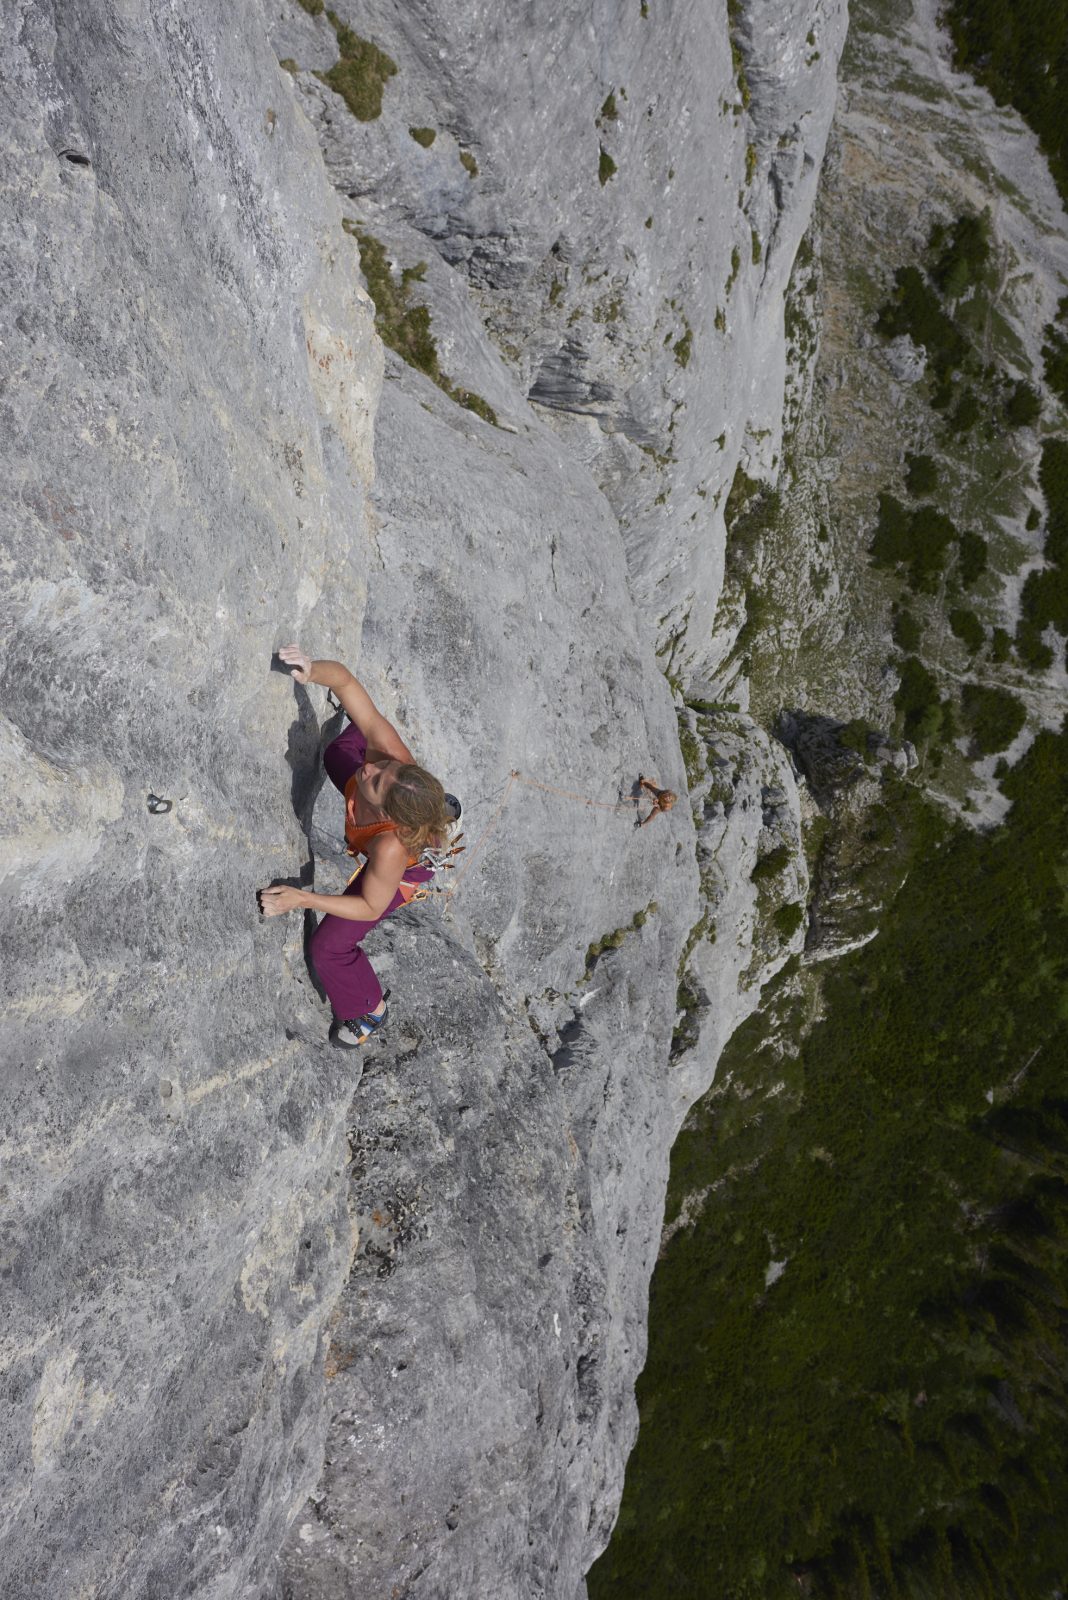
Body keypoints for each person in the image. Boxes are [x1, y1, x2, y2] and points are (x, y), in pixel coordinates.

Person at [260, 645, 455, 1047]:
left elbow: (369, 906)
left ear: (391, 812)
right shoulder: (388, 755)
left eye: (378, 780)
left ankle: (367, 1009)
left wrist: (302, 899)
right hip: (389, 815)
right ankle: (435, 806)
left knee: (328, 947)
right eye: (385, 767)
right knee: (338, 753)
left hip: (403, 868)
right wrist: (312, 670)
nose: (372, 767)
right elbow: (347, 682)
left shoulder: (391, 848)